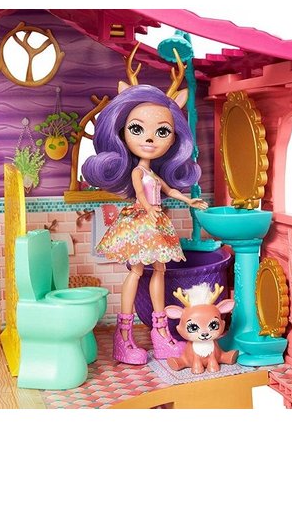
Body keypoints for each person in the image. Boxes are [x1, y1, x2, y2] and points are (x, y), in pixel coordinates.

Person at [82, 74, 207, 365]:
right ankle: (124, 336)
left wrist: (189, 200)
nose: (149, 139)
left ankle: (160, 334)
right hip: (142, 221)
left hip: (155, 221)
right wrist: (148, 208)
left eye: (162, 132)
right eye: (137, 129)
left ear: (174, 138)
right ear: (122, 132)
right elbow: (139, 192)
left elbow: (170, 190)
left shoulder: (152, 172)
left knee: (159, 270)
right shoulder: (138, 171)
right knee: (137, 271)